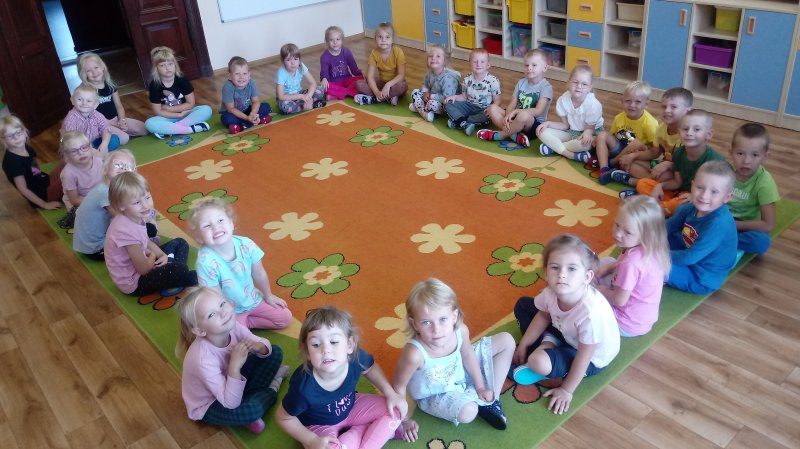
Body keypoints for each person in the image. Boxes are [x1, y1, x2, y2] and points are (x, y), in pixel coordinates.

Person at [511, 234, 620, 415]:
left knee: (537, 361)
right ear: (546, 272)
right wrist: (523, 345)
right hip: (566, 333)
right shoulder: (551, 292)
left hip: (590, 357)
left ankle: (549, 351)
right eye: (555, 267)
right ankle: (549, 342)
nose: (562, 274)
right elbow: (543, 316)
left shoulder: (590, 314)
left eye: (571, 269)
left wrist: (567, 390)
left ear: (587, 277)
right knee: (523, 305)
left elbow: (584, 356)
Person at [392, 278, 515, 437]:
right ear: (414, 324)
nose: (437, 330)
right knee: (469, 412)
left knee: (506, 340)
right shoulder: (414, 354)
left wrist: (480, 387)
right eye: (427, 322)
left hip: (459, 370)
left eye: (443, 319)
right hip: (437, 392)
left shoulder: (461, 330)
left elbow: (468, 354)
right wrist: (404, 420)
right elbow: (398, 386)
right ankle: (478, 400)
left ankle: (492, 401)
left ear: (454, 316)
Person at [276, 306, 407, 449]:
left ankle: (359, 433)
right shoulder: (303, 388)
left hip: (352, 406)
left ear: (350, 345)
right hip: (319, 425)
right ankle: (366, 429)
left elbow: (371, 368)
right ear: (307, 352)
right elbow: (284, 417)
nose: (326, 350)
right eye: (316, 344)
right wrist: (312, 440)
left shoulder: (356, 358)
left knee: (397, 408)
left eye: (334, 342)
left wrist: (390, 393)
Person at [177, 287, 289, 434]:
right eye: (211, 314)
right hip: (211, 403)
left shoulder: (233, 325)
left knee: (274, 352)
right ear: (199, 331)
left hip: (233, 381)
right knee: (251, 411)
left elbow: (263, 344)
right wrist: (234, 367)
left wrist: (258, 347)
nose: (223, 313)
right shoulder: (202, 359)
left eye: (222, 304)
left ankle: (249, 400)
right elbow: (230, 402)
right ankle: (274, 385)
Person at [187, 197, 292, 330]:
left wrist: (268, 295)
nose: (216, 227)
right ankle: (242, 326)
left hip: (253, 299)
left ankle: (247, 323)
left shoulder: (246, 244)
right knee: (229, 335)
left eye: (220, 220)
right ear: (199, 238)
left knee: (285, 318)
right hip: (229, 310)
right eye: (207, 226)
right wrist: (227, 318)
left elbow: (259, 273)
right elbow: (215, 297)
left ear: (231, 224)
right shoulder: (205, 262)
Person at [104, 171, 197, 296]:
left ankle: (172, 268)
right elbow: (143, 269)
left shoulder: (134, 215)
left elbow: (146, 241)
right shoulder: (125, 231)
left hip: (145, 259)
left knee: (180, 242)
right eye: (137, 202)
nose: (145, 205)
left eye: (147, 197)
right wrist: (153, 255)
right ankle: (177, 273)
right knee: (181, 270)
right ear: (121, 206)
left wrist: (162, 255)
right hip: (135, 282)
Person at [624, 109, 724, 216]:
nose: (689, 133)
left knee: (684, 203)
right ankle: (663, 207)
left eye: (697, 129)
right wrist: (660, 186)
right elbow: (677, 182)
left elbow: (718, 192)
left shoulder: (714, 160)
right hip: (677, 193)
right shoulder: (679, 153)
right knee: (642, 184)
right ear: (679, 132)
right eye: (685, 129)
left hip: (698, 197)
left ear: (708, 134)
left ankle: (658, 207)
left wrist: (694, 196)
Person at [595, 196, 670, 337]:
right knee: (607, 261)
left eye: (627, 232)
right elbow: (626, 267)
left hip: (624, 323)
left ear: (646, 235)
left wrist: (600, 290)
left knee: (585, 294)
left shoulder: (631, 263)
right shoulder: (649, 248)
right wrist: (609, 267)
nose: (618, 233)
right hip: (642, 320)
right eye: (617, 225)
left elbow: (619, 300)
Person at [666, 160, 737, 294]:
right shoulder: (690, 207)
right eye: (699, 187)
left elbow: (690, 257)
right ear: (692, 185)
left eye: (714, 192)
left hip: (701, 277)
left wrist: (657, 254)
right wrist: (644, 237)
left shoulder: (718, 223)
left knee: (652, 264)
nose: (704, 196)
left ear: (726, 197)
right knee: (659, 236)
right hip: (689, 251)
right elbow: (668, 227)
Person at [72, 150, 158, 260]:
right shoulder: (106, 192)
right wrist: (149, 219)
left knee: (143, 221)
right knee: (149, 229)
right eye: (118, 164)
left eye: (128, 167)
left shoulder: (105, 186)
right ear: (105, 169)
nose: (123, 169)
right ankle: (145, 245)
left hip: (88, 244)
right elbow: (126, 220)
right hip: (96, 248)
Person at [603, 87, 693, 189]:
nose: (667, 110)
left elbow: (690, 165)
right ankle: (647, 183)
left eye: (673, 107)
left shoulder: (690, 134)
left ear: (688, 111)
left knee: (665, 176)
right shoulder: (661, 128)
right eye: (664, 107)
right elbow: (653, 153)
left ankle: (632, 181)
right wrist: (632, 156)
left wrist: (669, 165)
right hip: (664, 167)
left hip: (682, 173)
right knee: (628, 161)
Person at [477, 48, 552, 148]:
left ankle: (501, 135)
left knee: (523, 115)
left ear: (545, 67)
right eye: (526, 65)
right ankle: (514, 135)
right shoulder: (521, 83)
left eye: (534, 65)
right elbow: (512, 103)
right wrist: (508, 117)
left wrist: (516, 112)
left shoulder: (546, 87)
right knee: (492, 108)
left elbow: (538, 111)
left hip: (533, 126)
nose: (529, 68)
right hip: (516, 118)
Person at [728, 123, 779, 255]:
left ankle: (718, 240)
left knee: (761, 242)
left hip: (746, 227)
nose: (746, 161)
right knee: (686, 209)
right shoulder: (725, 171)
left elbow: (768, 225)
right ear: (731, 152)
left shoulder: (765, 183)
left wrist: (734, 225)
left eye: (755, 155)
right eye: (740, 153)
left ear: (765, 156)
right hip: (720, 219)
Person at [77, 52, 147, 144]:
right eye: (88, 71)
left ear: (102, 67)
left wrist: (122, 121)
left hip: (115, 120)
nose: (94, 72)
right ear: (83, 74)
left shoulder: (110, 85)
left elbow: (119, 106)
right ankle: (96, 139)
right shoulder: (86, 91)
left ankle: (114, 134)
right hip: (99, 125)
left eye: (96, 67)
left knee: (144, 129)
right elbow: (91, 116)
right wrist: (112, 124)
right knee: (124, 138)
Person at [596, 80, 658, 183]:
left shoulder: (650, 123)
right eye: (628, 101)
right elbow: (612, 135)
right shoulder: (619, 118)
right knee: (602, 135)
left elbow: (654, 151)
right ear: (622, 101)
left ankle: (614, 163)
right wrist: (599, 141)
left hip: (636, 156)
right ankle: (604, 168)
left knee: (636, 143)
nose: (632, 105)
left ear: (646, 104)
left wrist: (637, 152)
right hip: (620, 149)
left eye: (638, 102)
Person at [536, 64, 602, 162]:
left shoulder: (593, 104)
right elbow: (565, 125)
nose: (579, 86)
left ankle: (554, 148)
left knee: (586, 144)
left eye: (584, 84)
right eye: (575, 82)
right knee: (541, 131)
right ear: (568, 83)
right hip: (570, 133)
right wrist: (548, 123)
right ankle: (570, 154)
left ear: (590, 87)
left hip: (589, 133)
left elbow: (589, 129)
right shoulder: (563, 100)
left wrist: (587, 134)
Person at [145, 46, 212, 139]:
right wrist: (178, 115)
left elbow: (190, 104)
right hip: (168, 117)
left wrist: (170, 109)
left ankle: (171, 129)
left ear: (175, 65)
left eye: (170, 64)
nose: (167, 68)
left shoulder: (182, 79)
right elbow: (158, 111)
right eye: (162, 65)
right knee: (149, 124)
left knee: (206, 110)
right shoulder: (154, 85)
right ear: (156, 68)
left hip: (186, 114)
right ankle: (189, 129)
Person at [0, 114, 61, 209]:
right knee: (69, 179)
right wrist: (44, 204)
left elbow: (34, 166)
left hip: (43, 181)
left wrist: (41, 176)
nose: (16, 138)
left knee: (66, 165)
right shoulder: (12, 163)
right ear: (3, 140)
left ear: (25, 131)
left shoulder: (27, 148)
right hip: (41, 195)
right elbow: (23, 189)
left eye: (18, 132)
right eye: (10, 136)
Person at [443, 48, 501, 136]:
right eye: (475, 61)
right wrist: (454, 97)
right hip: (468, 106)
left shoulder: (493, 81)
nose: (478, 64)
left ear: (488, 64)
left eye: (482, 62)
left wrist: (492, 108)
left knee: (488, 115)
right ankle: (463, 122)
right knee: (447, 103)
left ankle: (460, 121)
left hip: (483, 109)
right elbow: (464, 97)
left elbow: (498, 100)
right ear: (469, 62)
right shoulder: (467, 79)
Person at [57, 131, 104, 229]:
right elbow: (74, 200)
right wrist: (98, 202)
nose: (81, 153)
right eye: (74, 151)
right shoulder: (68, 173)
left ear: (90, 147)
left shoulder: (98, 161)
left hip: (98, 196)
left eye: (84, 147)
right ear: (67, 155)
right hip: (81, 203)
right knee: (98, 223)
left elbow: (106, 181)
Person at [355, 22, 408, 106]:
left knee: (401, 86)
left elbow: (401, 76)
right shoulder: (374, 53)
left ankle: (374, 99)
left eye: (387, 37)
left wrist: (388, 85)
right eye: (380, 37)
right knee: (359, 84)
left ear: (392, 39)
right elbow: (370, 76)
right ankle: (387, 97)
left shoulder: (398, 52)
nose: (383, 40)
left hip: (395, 84)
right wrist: (376, 91)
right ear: (375, 39)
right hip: (382, 83)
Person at [61, 83, 120, 155]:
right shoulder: (71, 119)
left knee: (114, 139)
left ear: (95, 105)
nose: (84, 103)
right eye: (80, 99)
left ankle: (98, 155)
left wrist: (104, 144)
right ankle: (96, 156)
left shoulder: (97, 115)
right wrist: (90, 150)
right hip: (78, 147)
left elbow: (105, 128)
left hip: (93, 143)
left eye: (89, 101)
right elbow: (71, 141)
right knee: (72, 152)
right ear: (72, 100)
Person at [407, 44, 460, 122]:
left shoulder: (448, 78)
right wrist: (425, 92)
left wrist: (431, 96)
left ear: (445, 61)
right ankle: (424, 112)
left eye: (438, 56)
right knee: (415, 92)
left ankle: (420, 108)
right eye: (430, 56)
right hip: (431, 98)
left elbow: (447, 98)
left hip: (446, 104)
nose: (433, 58)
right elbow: (425, 84)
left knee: (431, 103)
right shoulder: (430, 73)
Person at [220, 56, 272, 135]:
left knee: (266, 106)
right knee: (226, 118)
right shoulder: (227, 87)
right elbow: (231, 109)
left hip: (247, 110)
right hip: (233, 113)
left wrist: (253, 114)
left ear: (249, 75)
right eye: (237, 74)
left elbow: (255, 101)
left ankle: (242, 126)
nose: (241, 77)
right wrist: (247, 118)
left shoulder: (251, 83)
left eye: (244, 73)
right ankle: (258, 121)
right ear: (230, 76)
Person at [276, 43, 326, 114]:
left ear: (299, 60)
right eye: (288, 60)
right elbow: (281, 96)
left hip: (300, 94)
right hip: (287, 98)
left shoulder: (301, 66)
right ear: (283, 61)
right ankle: (310, 105)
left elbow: (313, 83)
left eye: (296, 59)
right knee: (285, 107)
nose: (293, 63)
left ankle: (305, 104)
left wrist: (308, 96)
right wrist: (301, 96)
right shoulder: (281, 73)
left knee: (320, 90)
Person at [320, 25, 363, 101]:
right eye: (331, 40)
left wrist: (362, 74)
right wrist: (324, 79)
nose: (335, 42)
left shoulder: (346, 51)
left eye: (338, 39)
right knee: (325, 87)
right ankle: (349, 92)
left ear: (342, 40)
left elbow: (354, 69)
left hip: (347, 80)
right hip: (334, 83)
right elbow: (324, 73)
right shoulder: (325, 56)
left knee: (361, 81)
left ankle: (338, 94)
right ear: (327, 42)